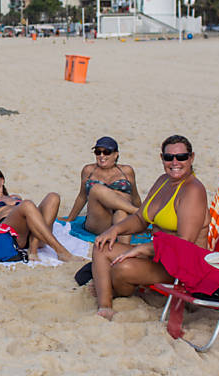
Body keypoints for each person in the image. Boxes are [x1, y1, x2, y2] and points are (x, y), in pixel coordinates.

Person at [88, 135, 208, 320]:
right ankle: (105, 306)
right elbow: (140, 219)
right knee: (101, 245)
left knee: (123, 268)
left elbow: (185, 243)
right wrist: (114, 230)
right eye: (169, 157)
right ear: (162, 159)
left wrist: (142, 248)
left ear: (191, 158)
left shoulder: (193, 190)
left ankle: (110, 284)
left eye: (181, 157)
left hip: (183, 266)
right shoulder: (163, 181)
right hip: (159, 257)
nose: (175, 162)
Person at [0, 166, 82, 262]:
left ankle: (34, 245)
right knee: (27, 204)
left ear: (2, 180)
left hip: (30, 233)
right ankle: (61, 251)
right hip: (7, 233)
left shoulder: (15, 197)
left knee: (53, 197)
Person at [64, 136, 141, 236]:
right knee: (96, 189)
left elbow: (135, 196)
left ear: (116, 155)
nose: (101, 155)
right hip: (100, 221)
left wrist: (143, 223)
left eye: (106, 152)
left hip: (121, 218)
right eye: (98, 152)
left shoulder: (127, 171)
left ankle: (123, 247)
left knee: (121, 212)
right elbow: (82, 197)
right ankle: (139, 212)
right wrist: (70, 219)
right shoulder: (88, 171)